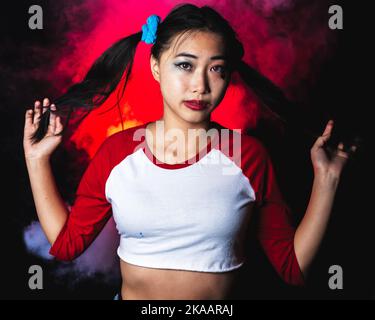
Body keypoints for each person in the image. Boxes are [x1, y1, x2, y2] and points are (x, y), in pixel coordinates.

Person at [23, 4, 356, 300]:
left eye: (217, 69)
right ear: (156, 66)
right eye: (185, 65)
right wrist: (37, 160)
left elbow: (292, 269)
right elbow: (67, 246)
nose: (201, 85)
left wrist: (327, 179)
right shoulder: (118, 153)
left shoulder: (247, 155)